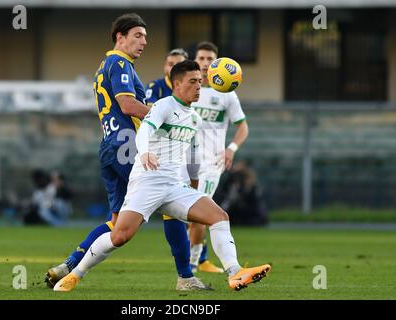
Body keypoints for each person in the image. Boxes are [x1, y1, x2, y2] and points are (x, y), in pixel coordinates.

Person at [53, 60, 271, 292]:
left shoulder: (194, 118)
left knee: (219, 216)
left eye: (200, 81)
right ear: (177, 84)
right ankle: (76, 274)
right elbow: (145, 130)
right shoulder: (163, 106)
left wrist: (195, 187)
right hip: (147, 182)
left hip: (174, 186)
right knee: (119, 236)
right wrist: (145, 151)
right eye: (193, 82)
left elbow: (192, 156)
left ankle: (235, 272)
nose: (199, 86)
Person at [45, 13, 209, 291]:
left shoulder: (108, 65)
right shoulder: (120, 62)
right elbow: (127, 105)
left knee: (117, 223)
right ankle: (186, 277)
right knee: (173, 207)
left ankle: (69, 266)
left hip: (111, 146)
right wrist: (164, 118)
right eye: (138, 35)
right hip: (127, 146)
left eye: (145, 36)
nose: (144, 41)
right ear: (120, 37)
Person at [145, 47, 223, 274]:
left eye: (177, 64)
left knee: (201, 213)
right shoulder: (159, 95)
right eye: (169, 64)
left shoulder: (196, 101)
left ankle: (197, 264)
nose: (171, 68)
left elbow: (194, 144)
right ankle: (76, 267)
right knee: (122, 231)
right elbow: (146, 119)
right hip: (154, 162)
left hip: (188, 160)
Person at [185, 41, 250, 273]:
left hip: (212, 163)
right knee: (184, 215)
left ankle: (192, 264)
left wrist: (231, 148)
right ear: (195, 60)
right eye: (201, 58)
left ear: (216, 63)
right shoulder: (188, 88)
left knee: (199, 214)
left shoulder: (227, 94)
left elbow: (243, 127)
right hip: (185, 160)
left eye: (209, 59)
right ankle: (193, 260)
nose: (204, 63)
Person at [217, 161, 268, 226]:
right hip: (237, 212)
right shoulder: (231, 183)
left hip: (250, 213)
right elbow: (225, 193)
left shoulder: (251, 186)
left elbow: (253, 202)